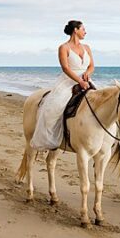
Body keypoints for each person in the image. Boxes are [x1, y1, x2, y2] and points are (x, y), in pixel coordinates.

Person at [29, 20, 94, 150]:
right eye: (83, 29)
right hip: (69, 80)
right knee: (54, 107)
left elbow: (92, 65)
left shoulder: (87, 47)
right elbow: (65, 68)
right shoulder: (64, 47)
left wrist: (87, 73)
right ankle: (52, 138)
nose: (85, 32)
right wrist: (79, 81)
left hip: (86, 80)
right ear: (75, 30)